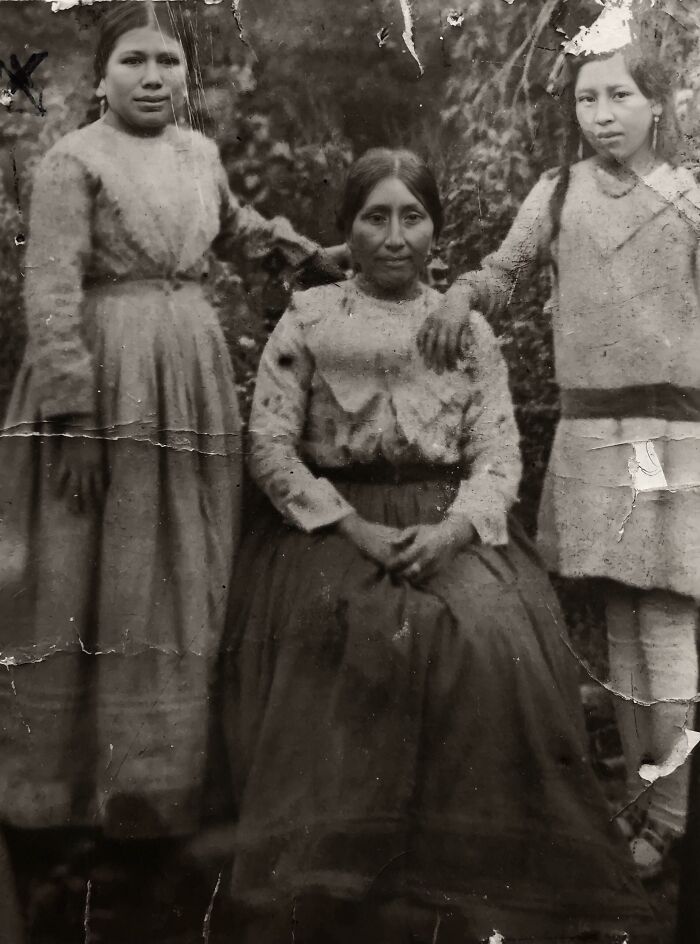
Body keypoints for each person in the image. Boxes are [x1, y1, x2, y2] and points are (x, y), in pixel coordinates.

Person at [218, 147, 653, 943]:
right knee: (341, 630)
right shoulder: (310, 318)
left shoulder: (466, 330)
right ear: (347, 230)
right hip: (334, 523)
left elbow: (499, 455)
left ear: (435, 231)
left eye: (412, 217)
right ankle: (342, 865)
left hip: (446, 519)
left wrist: (454, 530)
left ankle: (480, 858)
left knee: (489, 635)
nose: (394, 237)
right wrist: (352, 526)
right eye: (374, 218)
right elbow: (270, 447)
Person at [0, 1, 341, 934]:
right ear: (101, 75)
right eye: (134, 61)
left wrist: (312, 255)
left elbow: (238, 229)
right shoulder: (74, 162)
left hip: (186, 379)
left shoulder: (197, 155)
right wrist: (73, 416)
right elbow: (50, 288)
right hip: (104, 384)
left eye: (168, 61)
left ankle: (158, 789)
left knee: (178, 571)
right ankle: (72, 799)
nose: (154, 78)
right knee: (93, 572)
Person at [418, 43, 700, 881]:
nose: (602, 115)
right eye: (587, 98)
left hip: (667, 435)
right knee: (618, 619)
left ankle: (672, 820)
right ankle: (643, 804)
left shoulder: (688, 197)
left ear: (658, 103)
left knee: (665, 617)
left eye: (620, 96)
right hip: (591, 431)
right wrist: (461, 293)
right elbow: (503, 272)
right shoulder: (560, 192)